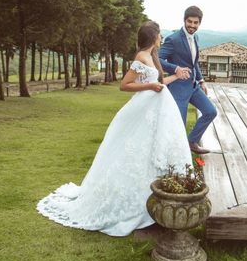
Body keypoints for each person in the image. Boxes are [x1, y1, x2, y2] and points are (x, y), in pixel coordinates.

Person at [36, 21, 192, 236]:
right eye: (159, 34)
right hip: (143, 109)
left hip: (156, 110)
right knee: (134, 151)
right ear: (152, 36)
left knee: (150, 152)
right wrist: (150, 85)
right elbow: (125, 85)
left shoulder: (153, 57)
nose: (161, 37)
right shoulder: (141, 57)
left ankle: (156, 194)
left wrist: (177, 75)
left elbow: (160, 83)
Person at [159, 6, 217, 155]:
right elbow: (157, 59)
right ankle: (175, 157)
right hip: (178, 87)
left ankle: (191, 142)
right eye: (189, 22)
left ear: (199, 23)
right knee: (179, 125)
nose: (192, 25)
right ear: (184, 20)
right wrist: (175, 69)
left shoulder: (196, 37)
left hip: (193, 86)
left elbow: (193, 62)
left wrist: (201, 80)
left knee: (210, 112)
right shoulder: (173, 39)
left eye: (195, 23)